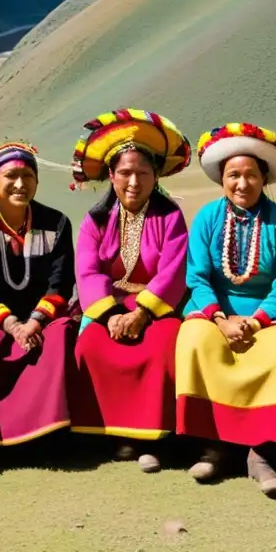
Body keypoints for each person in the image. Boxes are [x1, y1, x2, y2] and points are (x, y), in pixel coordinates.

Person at [175, 123, 276, 498]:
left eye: (251, 175)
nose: (242, 183)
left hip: (268, 312)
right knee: (195, 342)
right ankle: (213, 446)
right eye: (234, 175)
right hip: (214, 309)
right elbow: (197, 276)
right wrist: (220, 318)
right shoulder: (207, 218)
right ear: (222, 180)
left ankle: (260, 452)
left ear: (264, 178)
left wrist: (258, 319)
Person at [67, 109, 191, 472]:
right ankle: (108, 433)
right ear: (111, 175)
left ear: (156, 176)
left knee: (163, 347)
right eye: (125, 173)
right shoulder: (95, 220)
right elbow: (86, 271)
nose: (133, 181)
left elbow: (173, 270)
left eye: (142, 173)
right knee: (90, 346)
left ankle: (151, 438)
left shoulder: (170, 217)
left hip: (155, 306)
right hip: (107, 306)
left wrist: (141, 313)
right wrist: (111, 315)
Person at [0, 143, 77, 446]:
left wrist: (34, 322)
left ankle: (51, 433)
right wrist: (13, 325)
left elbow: (60, 283)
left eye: (28, 175)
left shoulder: (57, 223)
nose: (20, 184)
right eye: (10, 175)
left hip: (44, 313)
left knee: (60, 337)